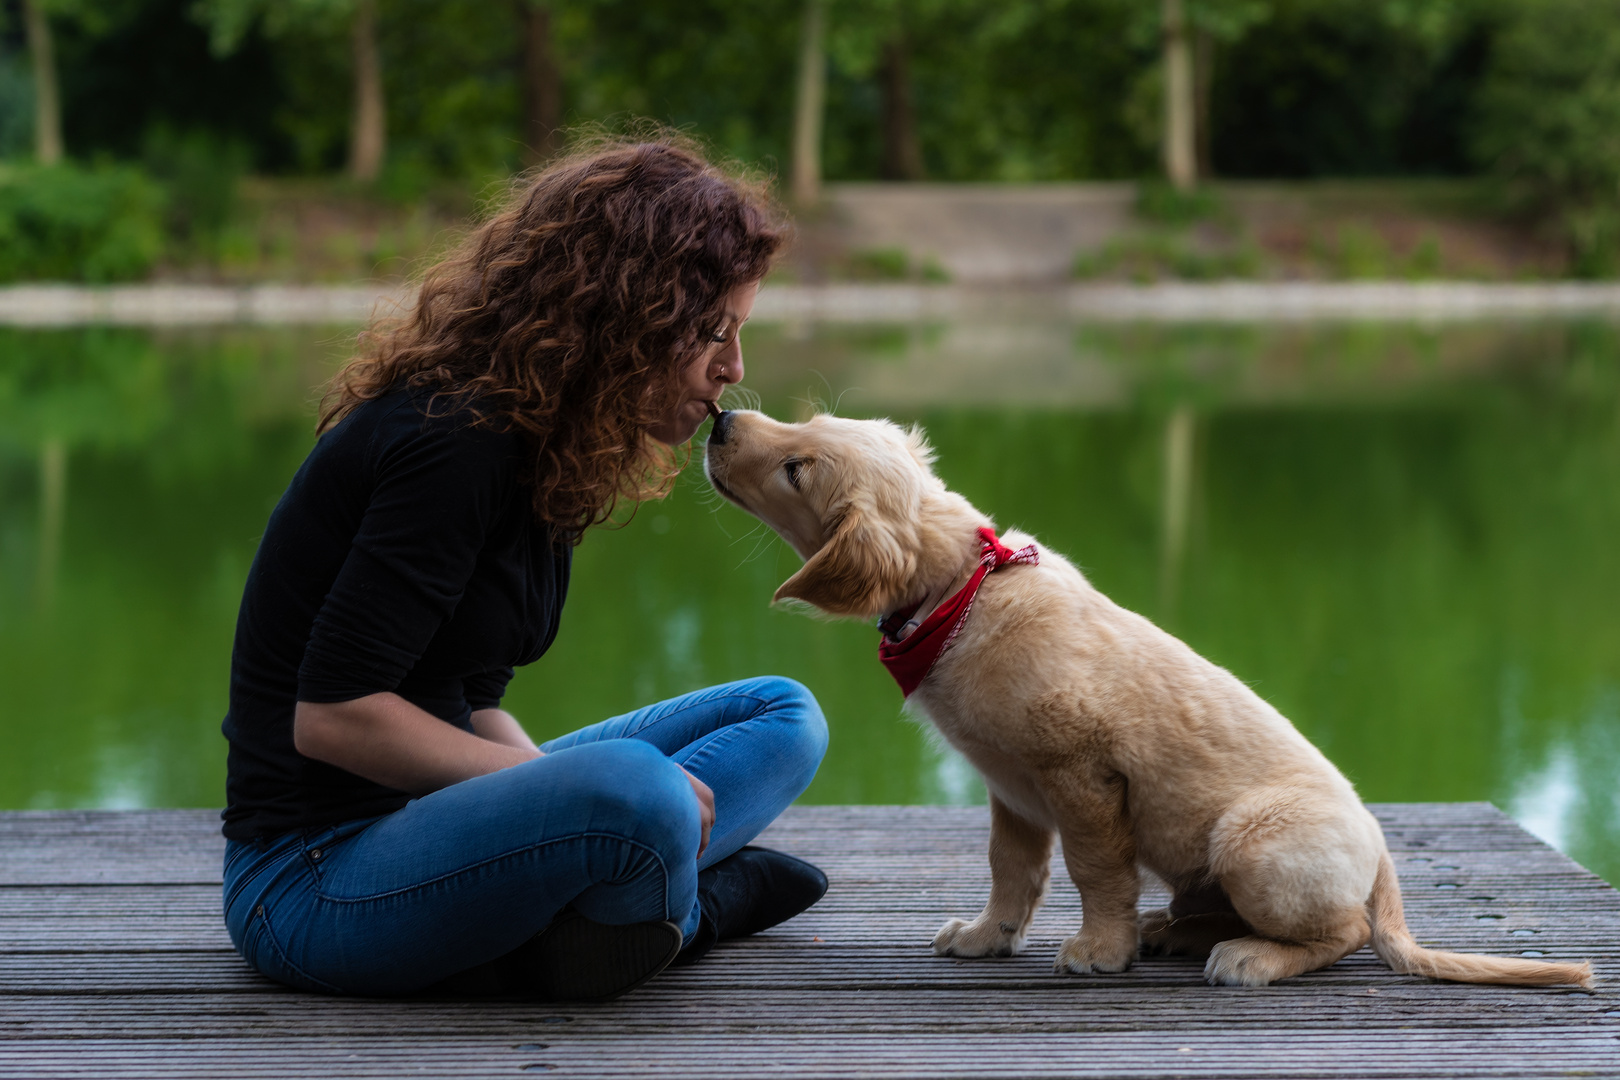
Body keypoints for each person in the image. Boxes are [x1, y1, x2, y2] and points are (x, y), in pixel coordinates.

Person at [218, 137, 830, 1001]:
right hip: (315, 880)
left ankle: (613, 896)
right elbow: (333, 720)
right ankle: (692, 914)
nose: (733, 370)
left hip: (435, 825)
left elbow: (472, 699)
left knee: (783, 715)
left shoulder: (547, 438)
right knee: (641, 792)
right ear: (626, 316)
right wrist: (585, 795)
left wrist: (570, 814)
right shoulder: (450, 443)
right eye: (711, 332)